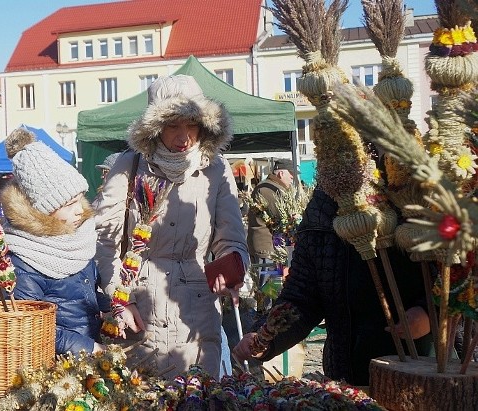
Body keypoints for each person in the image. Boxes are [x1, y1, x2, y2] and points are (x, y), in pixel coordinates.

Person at [93, 74, 249, 379]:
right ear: (155, 127)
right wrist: (119, 301)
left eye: (191, 125)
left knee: (202, 396)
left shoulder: (216, 168)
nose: (184, 137)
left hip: (199, 309)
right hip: (140, 306)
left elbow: (231, 237)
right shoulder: (129, 165)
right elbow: (104, 241)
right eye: (173, 125)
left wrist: (233, 269)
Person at [233, 187, 433, 385]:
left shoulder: (414, 189)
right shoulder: (323, 207)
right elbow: (301, 296)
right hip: (346, 373)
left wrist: (429, 312)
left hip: (422, 369)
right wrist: (266, 337)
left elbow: (454, 278)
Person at [1, 128, 110, 355]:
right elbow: (30, 327)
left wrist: (112, 309)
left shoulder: (78, 238)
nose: (80, 210)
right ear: (43, 211)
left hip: (87, 354)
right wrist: (90, 348)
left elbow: (82, 291)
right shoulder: (25, 258)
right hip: (54, 369)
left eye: (80, 199)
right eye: (69, 204)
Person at [246, 158, 295, 265]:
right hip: (266, 248)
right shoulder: (269, 189)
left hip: (267, 246)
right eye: (291, 173)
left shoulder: (272, 186)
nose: (293, 177)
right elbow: (281, 216)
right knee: (268, 281)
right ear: (281, 173)